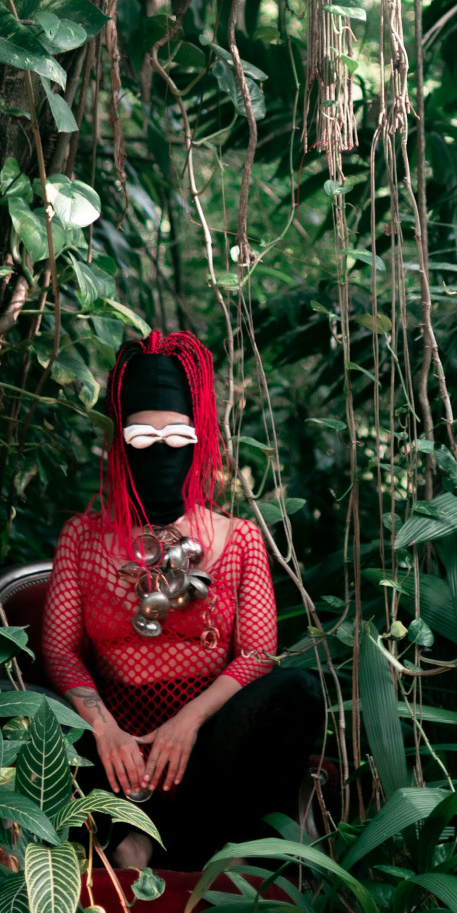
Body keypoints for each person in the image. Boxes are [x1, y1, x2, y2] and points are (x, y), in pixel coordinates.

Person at [37, 330, 323, 871]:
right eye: (143, 436)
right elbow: (59, 650)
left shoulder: (238, 538)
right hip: (113, 749)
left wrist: (188, 721)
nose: (161, 449)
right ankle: (137, 835)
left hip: (211, 747)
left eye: (176, 435)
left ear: (199, 437)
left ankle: (187, 842)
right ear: (121, 442)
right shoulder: (83, 538)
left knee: (299, 691)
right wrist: (105, 730)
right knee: (37, 713)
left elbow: (257, 654)